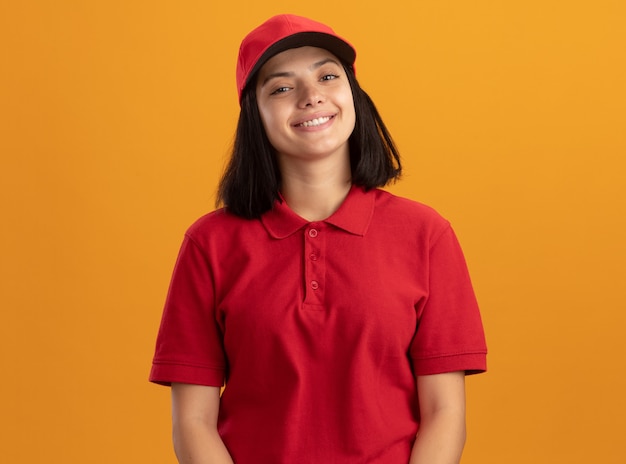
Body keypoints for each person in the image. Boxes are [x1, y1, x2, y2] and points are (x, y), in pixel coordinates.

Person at [150, 13, 487, 464]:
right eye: (282, 87)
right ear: (255, 115)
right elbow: (192, 421)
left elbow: (444, 412)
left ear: (353, 96)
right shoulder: (209, 244)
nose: (312, 97)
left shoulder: (426, 235)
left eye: (328, 76)